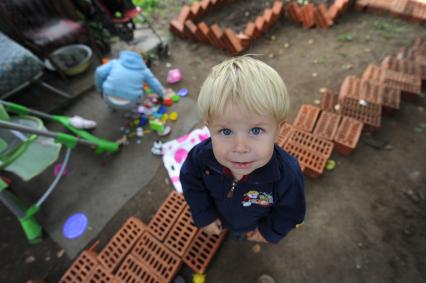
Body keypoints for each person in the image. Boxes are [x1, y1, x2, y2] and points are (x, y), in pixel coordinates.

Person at [180, 56, 306, 245]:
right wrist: (204, 215)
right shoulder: (200, 159)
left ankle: (241, 232)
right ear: (209, 128)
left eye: (256, 130)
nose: (240, 148)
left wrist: (268, 232)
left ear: (278, 129)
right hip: (220, 216)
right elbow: (192, 185)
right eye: (225, 131)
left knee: (242, 233)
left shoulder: (287, 174)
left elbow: (291, 211)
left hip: (254, 223)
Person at [95, 50, 165, 111]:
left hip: (107, 98)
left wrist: (100, 89)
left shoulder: (115, 63)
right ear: (143, 61)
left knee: (108, 79)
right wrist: (162, 95)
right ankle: (134, 112)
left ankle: (111, 107)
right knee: (143, 92)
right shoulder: (144, 71)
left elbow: (99, 72)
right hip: (130, 104)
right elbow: (155, 85)